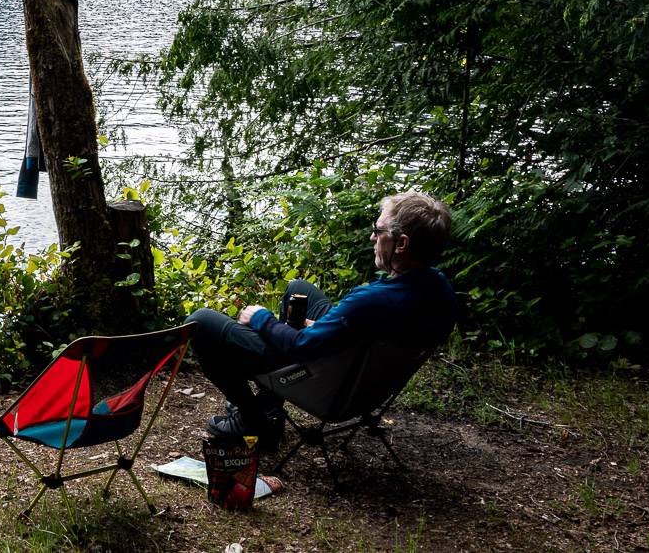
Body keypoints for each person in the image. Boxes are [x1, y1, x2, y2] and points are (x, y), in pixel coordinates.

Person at [184, 191, 459, 448]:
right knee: (299, 289)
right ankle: (269, 406)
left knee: (201, 321)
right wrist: (329, 332)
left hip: (319, 380)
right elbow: (368, 333)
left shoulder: (370, 300)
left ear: (401, 244)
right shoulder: (441, 291)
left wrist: (261, 319)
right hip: (362, 383)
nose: (372, 239)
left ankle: (253, 419)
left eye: (378, 232)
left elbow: (300, 347)